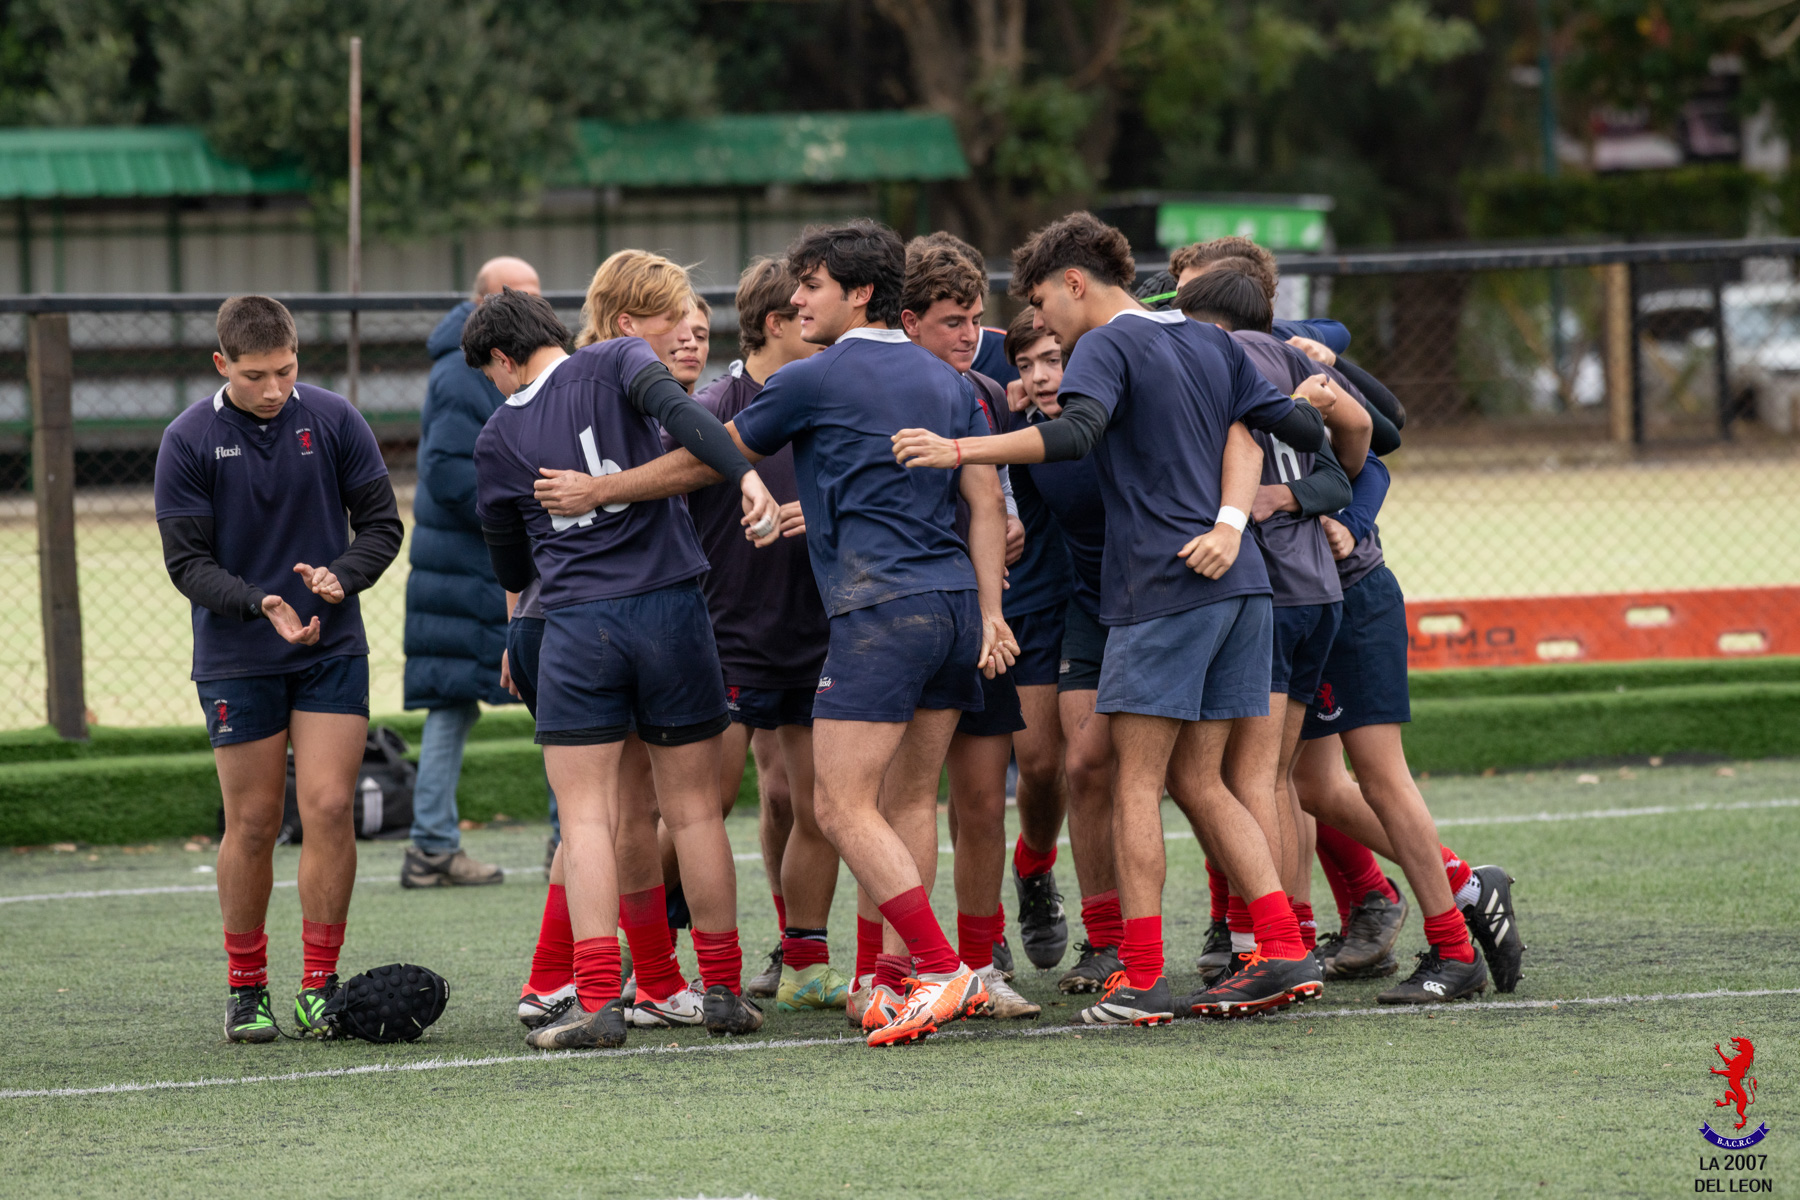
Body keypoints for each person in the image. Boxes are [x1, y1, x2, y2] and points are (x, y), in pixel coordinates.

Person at [892, 211, 1341, 1025]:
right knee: (1200, 781)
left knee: (1137, 783)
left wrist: (961, 450)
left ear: (1074, 281)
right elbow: (1306, 427)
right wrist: (1243, 495)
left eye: (1041, 302)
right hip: (1243, 586)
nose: (1043, 322)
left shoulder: (1105, 344)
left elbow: (1076, 434)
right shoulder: (1211, 342)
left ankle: (1141, 978)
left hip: (1162, 589)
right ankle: (1281, 947)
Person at [472, 284, 779, 1049]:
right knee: (695, 811)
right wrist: (746, 476)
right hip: (672, 609)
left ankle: (598, 1000)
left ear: (502, 360)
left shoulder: (498, 433)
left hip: (578, 624)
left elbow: (509, 562)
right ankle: (722, 990)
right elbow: (687, 419)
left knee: (588, 819)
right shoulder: (616, 357)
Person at [155, 294, 403, 1042]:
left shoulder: (334, 419)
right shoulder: (187, 439)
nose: (273, 389)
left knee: (327, 806)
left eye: (286, 371)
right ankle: (247, 989)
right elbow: (186, 563)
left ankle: (319, 987)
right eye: (255, 375)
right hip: (237, 654)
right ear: (221, 364)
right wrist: (258, 602)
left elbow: (382, 526)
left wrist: (342, 576)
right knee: (256, 821)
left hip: (331, 646)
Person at [1280, 338, 1526, 1003]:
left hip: (1350, 595)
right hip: (1295, 601)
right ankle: (1464, 886)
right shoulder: (1196, 346)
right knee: (1308, 784)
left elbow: (1378, 435)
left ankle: (1452, 948)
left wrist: (1352, 522)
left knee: (1380, 777)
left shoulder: (1275, 343)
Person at [1172, 266, 1366, 994]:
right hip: (1319, 590)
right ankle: (1292, 935)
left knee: (1247, 780)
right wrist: (1295, 494)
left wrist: (1266, 497)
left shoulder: (1221, 359)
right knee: (1276, 780)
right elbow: (1349, 459)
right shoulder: (1291, 356)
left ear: (1199, 317)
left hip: (1273, 589)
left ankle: (1272, 946)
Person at [683, 257, 847, 1014]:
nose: (819, 317)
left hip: (818, 636)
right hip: (728, 640)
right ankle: (652, 959)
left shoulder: (828, 398)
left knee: (820, 809)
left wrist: (829, 516)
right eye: (805, 305)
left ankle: (804, 962)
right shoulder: (715, 407)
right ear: (777, 322)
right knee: (699, 810)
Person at [896, 234, 1040, 1020]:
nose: (969, 334)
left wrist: (992, 607)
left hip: (974, 617)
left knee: (983, 802)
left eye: (976, 319)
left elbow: (991, 501)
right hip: (890, 617)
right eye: (953, 320)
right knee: (893, 804)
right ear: (909, 320)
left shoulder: (984, 389)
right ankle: (892, 969)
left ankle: (982, 965)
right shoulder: (871, 385)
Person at [399, 256, 543, 890]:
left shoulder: (512, 361)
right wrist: (527, 512)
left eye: (537, 294)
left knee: (547, 698)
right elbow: (449, 473)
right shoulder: (462, 372)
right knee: (466, 703)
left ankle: (569, 839)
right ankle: (434, 847)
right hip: (467, 566)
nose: (532, 304)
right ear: (484, 301)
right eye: (518, 293)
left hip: (482, 561)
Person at [999, 307, 1126, 995]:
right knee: (1049, 765)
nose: (1041, 375)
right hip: (1052, 606)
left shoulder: (1127, 405)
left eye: (1054, 358)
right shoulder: (1016, 423)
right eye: (1028, 364)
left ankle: (1249, 930)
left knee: (1192, 776)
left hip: (1147, 603)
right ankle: (1036, 869)